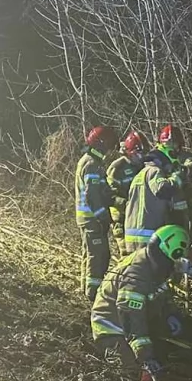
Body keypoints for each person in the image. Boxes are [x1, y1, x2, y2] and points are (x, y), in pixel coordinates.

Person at [91, 224, 192, 381]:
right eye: (173, 262)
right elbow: (131, 317)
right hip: (111, 329)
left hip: (133, 322)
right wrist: (146, 356)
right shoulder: (137, 276)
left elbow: (161, 297)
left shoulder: (154, 265)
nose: (174, 267)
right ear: (166, 255)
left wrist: (172, 315)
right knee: (134, 377)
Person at [122, 124, 192, 252]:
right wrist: (178, 177)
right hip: (146, 239)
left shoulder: (143, 172)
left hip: (139, 238)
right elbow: (163, 189)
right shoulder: (153, 171)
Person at [74, 125, 116, 301]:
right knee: (98, 255)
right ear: (100, 144)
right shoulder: (91, 164)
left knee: (89, 252)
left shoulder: (89, 161)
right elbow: (92, 195)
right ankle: (93, 294)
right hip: (92, 219)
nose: (109, 149)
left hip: (87, 218)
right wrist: (102, 216)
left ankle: (86, 288)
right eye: (108, 145)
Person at [106, 129, 149, 253]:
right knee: (127, 256)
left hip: (140, 220)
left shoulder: (143, 167)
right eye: (139, 153)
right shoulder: (117, 168)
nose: (142, 157)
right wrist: (128, 205)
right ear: (130, 152)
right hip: (122, 220)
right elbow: (110, 196)